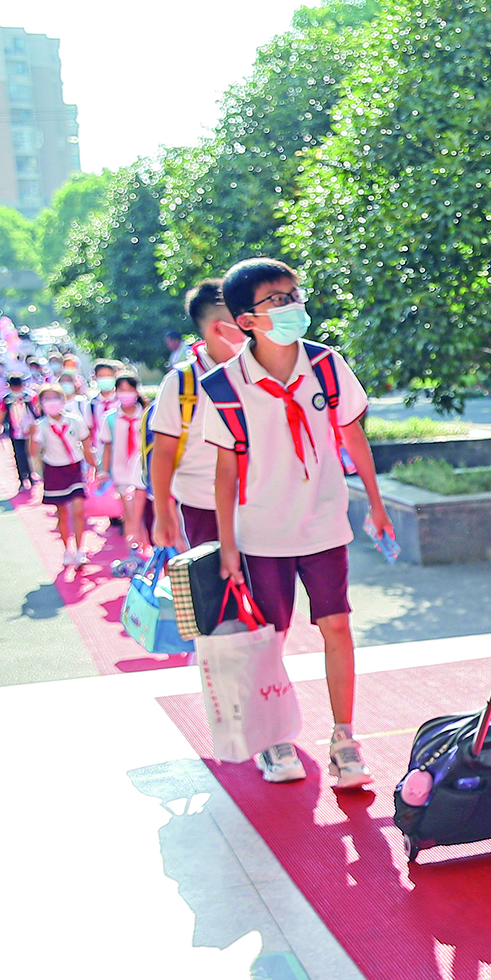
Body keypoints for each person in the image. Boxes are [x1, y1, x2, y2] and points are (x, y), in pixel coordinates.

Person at [203, 257, 392, 790]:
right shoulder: (225, 386)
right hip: (261, 532)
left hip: (325, 524)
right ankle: (276, 735)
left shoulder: (327, 366)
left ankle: (345, 740)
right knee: (271, 637)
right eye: (278, 300)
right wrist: (227, 546)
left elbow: (354, 437)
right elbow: (225, 470)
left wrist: (375, 505)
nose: (293, 306)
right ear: (246, 321)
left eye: (294, 294)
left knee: (337, 626)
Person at [152, 279, 244, 551]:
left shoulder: (257, 370)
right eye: (243, 317)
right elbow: (164, 452)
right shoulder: (182, 382)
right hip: (203, 507)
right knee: (218, 591)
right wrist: (163, 513)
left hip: (258, 505)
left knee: (266, 592)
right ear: (218, 328)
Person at [94, 373, 152, 575]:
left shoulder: (147, 414)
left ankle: (147, 549)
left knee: (145, 514)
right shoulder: (110, 418)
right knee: (130, 515)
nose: (125, 394)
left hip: (144, 474)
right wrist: (103, 470)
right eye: (121, 390)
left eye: (129, 389)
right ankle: (135, 554)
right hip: (121, 474)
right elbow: (107, 447)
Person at [32, 384, 91, 565]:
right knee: (62, 513)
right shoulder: (40, 426)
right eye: (46, 400)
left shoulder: (75, 421)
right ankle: (67, 550)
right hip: (54, 470)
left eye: (55, 398)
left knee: (79, 510)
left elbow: (86, 445)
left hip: (74, 468)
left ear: (63, 400)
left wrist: (96, 467)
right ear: (41, 404)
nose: (51, 403)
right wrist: (32, 436)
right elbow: (33, 451)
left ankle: (81, 550)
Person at [0, 373, 40, 490]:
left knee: (32, 453)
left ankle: (33, 475)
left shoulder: (30, 396)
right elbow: (1, 413)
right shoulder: (7, 399)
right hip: (15, 431)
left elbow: (37, 410)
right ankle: (22, 478)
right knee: (19, 455)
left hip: (31, 429)